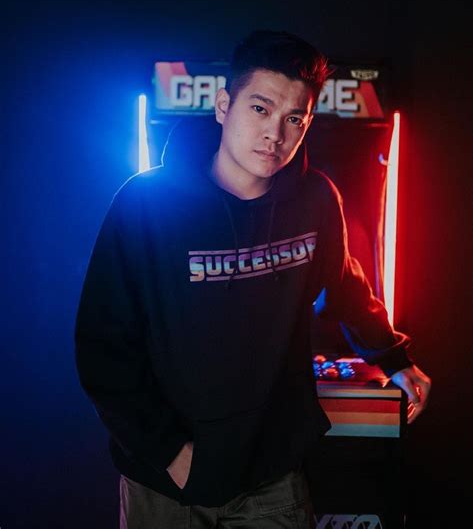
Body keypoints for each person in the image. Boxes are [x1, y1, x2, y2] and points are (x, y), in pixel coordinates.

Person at [75, 30, 431, 528]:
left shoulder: (315, 201)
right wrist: (170, 453)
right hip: (165, 482)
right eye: (260, 109)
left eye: (294, 119)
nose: (275, 134)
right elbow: (101, 346)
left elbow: (344, 285)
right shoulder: (143, 205)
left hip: (271, 474)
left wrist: (394, 356)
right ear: (224, 106)